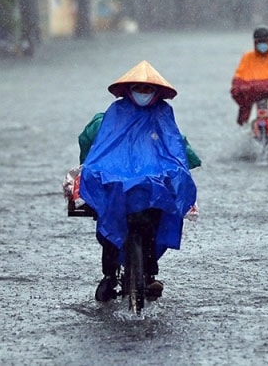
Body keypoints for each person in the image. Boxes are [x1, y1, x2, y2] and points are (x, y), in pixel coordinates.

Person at [77, 60, 201, 302]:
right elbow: (94, 150)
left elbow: (177, 146)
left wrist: (183, 170)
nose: (143, 94)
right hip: (118, 186)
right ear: (128, 89)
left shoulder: (163, 117)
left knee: (148, 222)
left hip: (148, 190)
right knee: (113, 220)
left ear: (156, 93)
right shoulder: (109, 118)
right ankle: (112, 275)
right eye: (138, 88)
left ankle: (140, 272)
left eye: (147, 89)